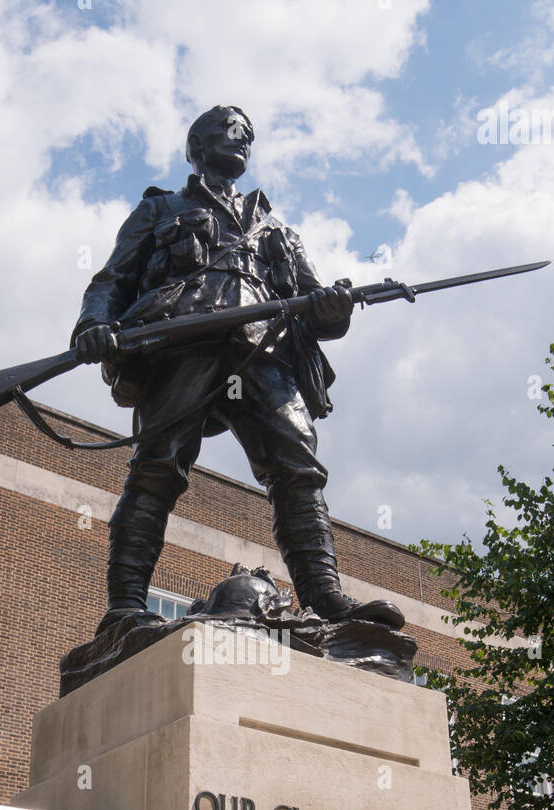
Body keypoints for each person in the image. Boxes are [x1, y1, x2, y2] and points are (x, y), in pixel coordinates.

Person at [73, 103, 404, 633]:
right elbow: (110, 281)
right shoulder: (160, 211)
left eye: (247, 136)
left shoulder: (274, 227)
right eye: (228, 132)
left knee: (298, 466)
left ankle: (324, 597)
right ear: (197, 146)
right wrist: (92, 326)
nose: (241, 140)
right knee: (157, 467)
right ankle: (125, 608)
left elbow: (315, 307)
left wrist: (333, 308)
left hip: (263, 350)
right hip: (185, 344)